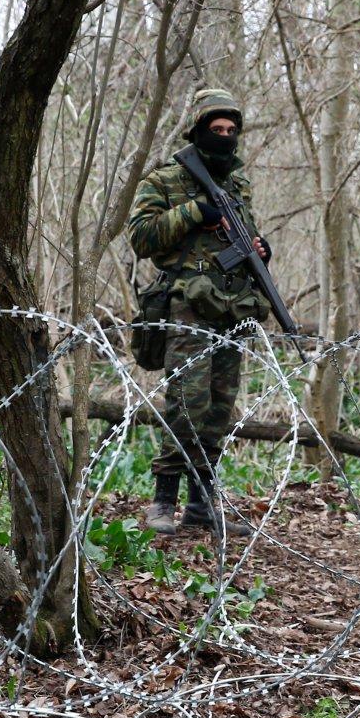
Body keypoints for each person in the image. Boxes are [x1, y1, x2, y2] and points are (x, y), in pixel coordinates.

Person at [127, 88, 271, 537]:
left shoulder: (237, 184)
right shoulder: (166, 179)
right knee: (187, 404)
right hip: (188, 308)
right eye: (216, 129)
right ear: (198, 130)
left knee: (218, 411)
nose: (225, 136)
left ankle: (202, 505)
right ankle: (163, 500)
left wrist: (259, 250)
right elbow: (141, 237)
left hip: (231, 306)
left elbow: (239, 237)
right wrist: (192, 212)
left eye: (231, 130)